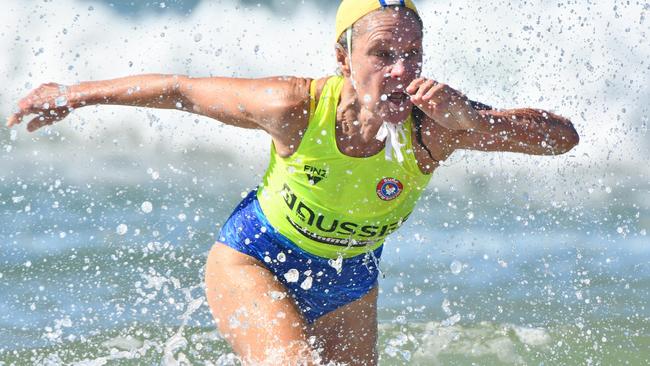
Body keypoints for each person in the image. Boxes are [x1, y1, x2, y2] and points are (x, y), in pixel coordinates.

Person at [6, 0, 579, 364]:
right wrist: (70, 95)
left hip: (351, 279)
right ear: (343, 58)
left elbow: (563, 138)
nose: (401, 70)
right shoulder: (294, 106)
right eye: (382, 54)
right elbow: (180, 91)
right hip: (254, 259)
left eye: (412, 54)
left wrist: (476, 121)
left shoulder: (439, 125)